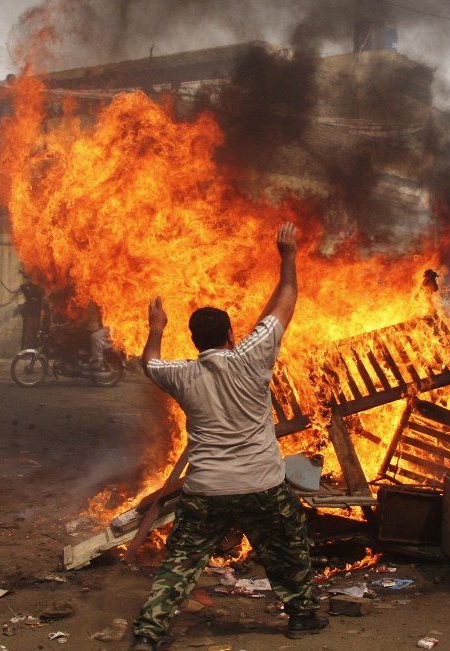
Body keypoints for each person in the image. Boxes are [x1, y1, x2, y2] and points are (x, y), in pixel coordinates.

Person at [129, 223, 327, 651]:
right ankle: (302, 617)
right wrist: (288, 257)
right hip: (262, 484)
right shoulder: (253, 355)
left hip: (206, 489)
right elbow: (286, 303)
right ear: (232, 334)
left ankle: (148, 634)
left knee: (180, 564)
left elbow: (149, 363)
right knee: (288, 547)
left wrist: (157, 328)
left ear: (195, 340)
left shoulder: (180, 374)